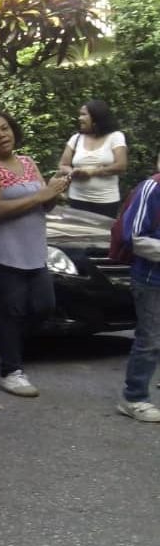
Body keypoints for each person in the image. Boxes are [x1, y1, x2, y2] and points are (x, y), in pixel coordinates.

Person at [0, 110, 69, 398]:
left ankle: (2, 348)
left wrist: (54, 193)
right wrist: (39, 195)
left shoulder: (27, 162)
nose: (2, 134)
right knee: (12, 311)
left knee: (44, 306)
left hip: (34, 250)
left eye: (5, 128)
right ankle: (10, 371)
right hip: (2, 251)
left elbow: (43, 205)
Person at [116, 175, 160, 422]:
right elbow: (133, 237)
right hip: (151, 280)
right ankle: (134, 398)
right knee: (150, 340)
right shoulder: (152, 188)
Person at [57, 100, 127, 218]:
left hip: (106, 201)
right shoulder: (76, 138)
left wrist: (92, 172)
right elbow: (63, 165)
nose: (79, 118)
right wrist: (73, 172)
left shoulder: (115, 137)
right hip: (77, 199)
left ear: (96, 117)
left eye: (84, 114)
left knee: (104, 235)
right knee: (78, 234)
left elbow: (121, 165)